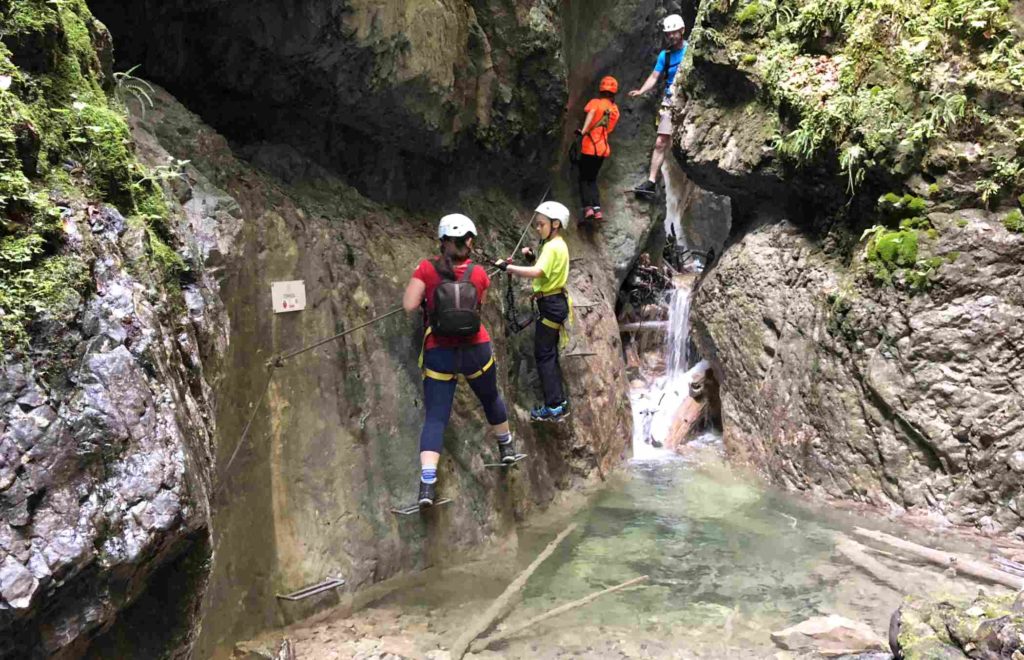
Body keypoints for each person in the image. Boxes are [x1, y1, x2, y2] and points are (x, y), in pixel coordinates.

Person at [402, 214, 515, 507]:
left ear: (442, 241)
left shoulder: (426, 269)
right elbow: (480, 305)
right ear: (469, 241)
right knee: (490, 398)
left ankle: (427, 485)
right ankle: (507, 447)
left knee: (436, 417)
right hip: (476, 349)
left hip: (439, 351)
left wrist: (430, 298)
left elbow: (409, 305)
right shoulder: (478, 273)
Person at [494, 201, 572, 422]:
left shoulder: (553, 246)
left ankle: (555, 405)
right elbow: (546, 269)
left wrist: (507, 267)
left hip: (551, 304)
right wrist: (530, 258)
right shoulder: (556, 244)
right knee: (549, 353)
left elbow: (538, 272)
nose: (537, 228)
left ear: (555, 224)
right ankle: (558, 401)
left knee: (544, 354)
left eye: (541, 224)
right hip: (553, 302)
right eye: (537, 225)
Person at [629, 13, 689, 196]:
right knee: (660, 142)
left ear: (682, 31)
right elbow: (654, 76)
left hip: (690, 98)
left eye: (674, 33)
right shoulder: (666, 55)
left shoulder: (691, 49)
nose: (670, 36)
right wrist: (641, 90)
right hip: (670, 100)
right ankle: (651, 182)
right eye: (668, 33)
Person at [576, 76, 621, 223]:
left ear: (601, 89)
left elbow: (590, 113)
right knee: (593, 179)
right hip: (602, 149)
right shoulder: (614, 109)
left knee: (584, 178)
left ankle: (588, 208)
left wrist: (583, 131)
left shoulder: (595, 102)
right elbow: (610, 129)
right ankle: (597, 210)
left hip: (589, 147)